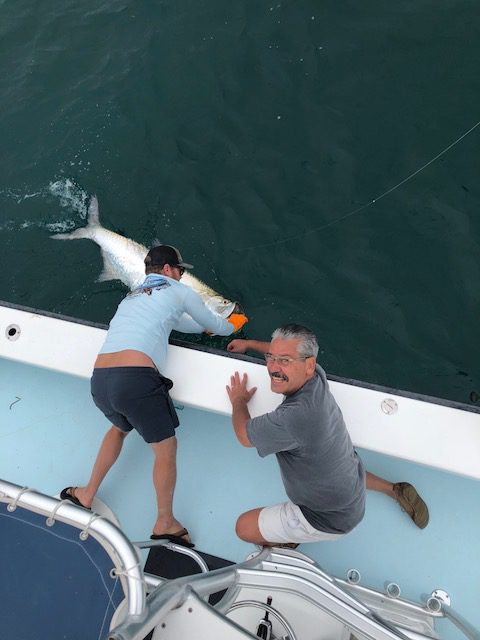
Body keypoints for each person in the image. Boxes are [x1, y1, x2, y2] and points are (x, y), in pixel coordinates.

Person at [62, 245, 247, 546]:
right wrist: (232, 324)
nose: (182, 275)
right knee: (165, 449)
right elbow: (218, 325)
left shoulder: (133, 295)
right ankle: (165, 522)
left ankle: (86, 494)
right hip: (135, 380)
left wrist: (204, 329)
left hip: (101, 381)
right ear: (167, 271)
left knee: (120, 428)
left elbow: (179, 322)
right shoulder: (179, 290)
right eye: (180, 270)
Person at [226, 325, 429, 548]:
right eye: (270, 358)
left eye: (284, 361)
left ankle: (290, 538)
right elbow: (285, 352)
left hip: (328, 520)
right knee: (338, 461)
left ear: (308, 365)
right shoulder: (316, 376)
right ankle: (395, 490)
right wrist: (250, 345)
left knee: (243, 528)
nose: (273, 368)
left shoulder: (293, 417)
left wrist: (238, 400)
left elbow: (244, 436)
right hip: (348, 481)